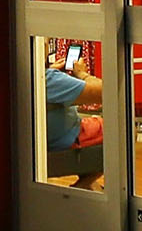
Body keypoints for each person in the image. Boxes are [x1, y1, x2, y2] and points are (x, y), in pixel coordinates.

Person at [43, 51, 104, 189]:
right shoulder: (48, 80)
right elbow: (105, 92)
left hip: (28, 146)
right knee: (127, 129)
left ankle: (88, 186)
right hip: (63, 144)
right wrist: (83, 74)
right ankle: (83, 186)